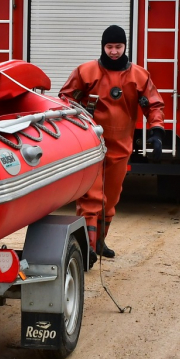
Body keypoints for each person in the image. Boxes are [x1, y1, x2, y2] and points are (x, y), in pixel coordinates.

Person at [59, 25, 165, 264]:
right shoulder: (86, 72)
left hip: (120, 146)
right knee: (91, 199)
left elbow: (154, 105)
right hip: (91, 145)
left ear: (125, 46)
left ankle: (99, 243)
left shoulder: (138, 75)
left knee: (111, 199)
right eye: (110, 47)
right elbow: (65, 99)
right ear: (103, 47)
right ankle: (86, 250)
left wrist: (157, 132)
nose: (114, 51)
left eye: (118, 46)